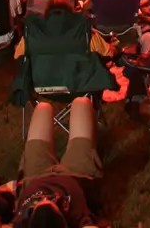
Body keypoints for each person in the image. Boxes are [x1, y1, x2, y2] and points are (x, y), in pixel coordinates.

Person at [13, 97, 104, 228]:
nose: (46, 198)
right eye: (53, 201)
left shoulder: (21, 223)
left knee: (43, 108)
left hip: (35, 175)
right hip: (76, 175)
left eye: (37, 202)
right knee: (81, 103)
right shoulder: (76, 219)